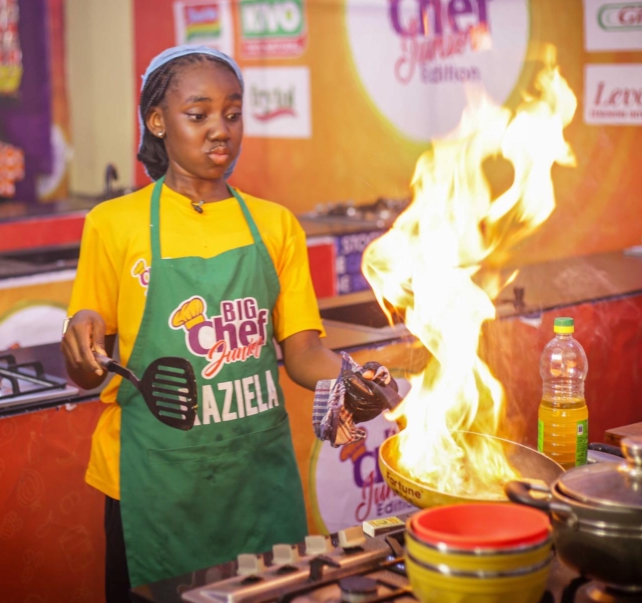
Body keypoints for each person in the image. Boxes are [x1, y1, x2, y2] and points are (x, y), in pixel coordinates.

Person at [62, 45, 397, 601]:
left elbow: (302, 354)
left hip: (256, 480)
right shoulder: (113, 225)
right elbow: (88, 371)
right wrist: (79, 346)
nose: (220, 129)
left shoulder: (275, 225)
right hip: (153, 482)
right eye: (199, 115)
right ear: (157, 121)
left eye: (233, 113)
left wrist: (350, 376)